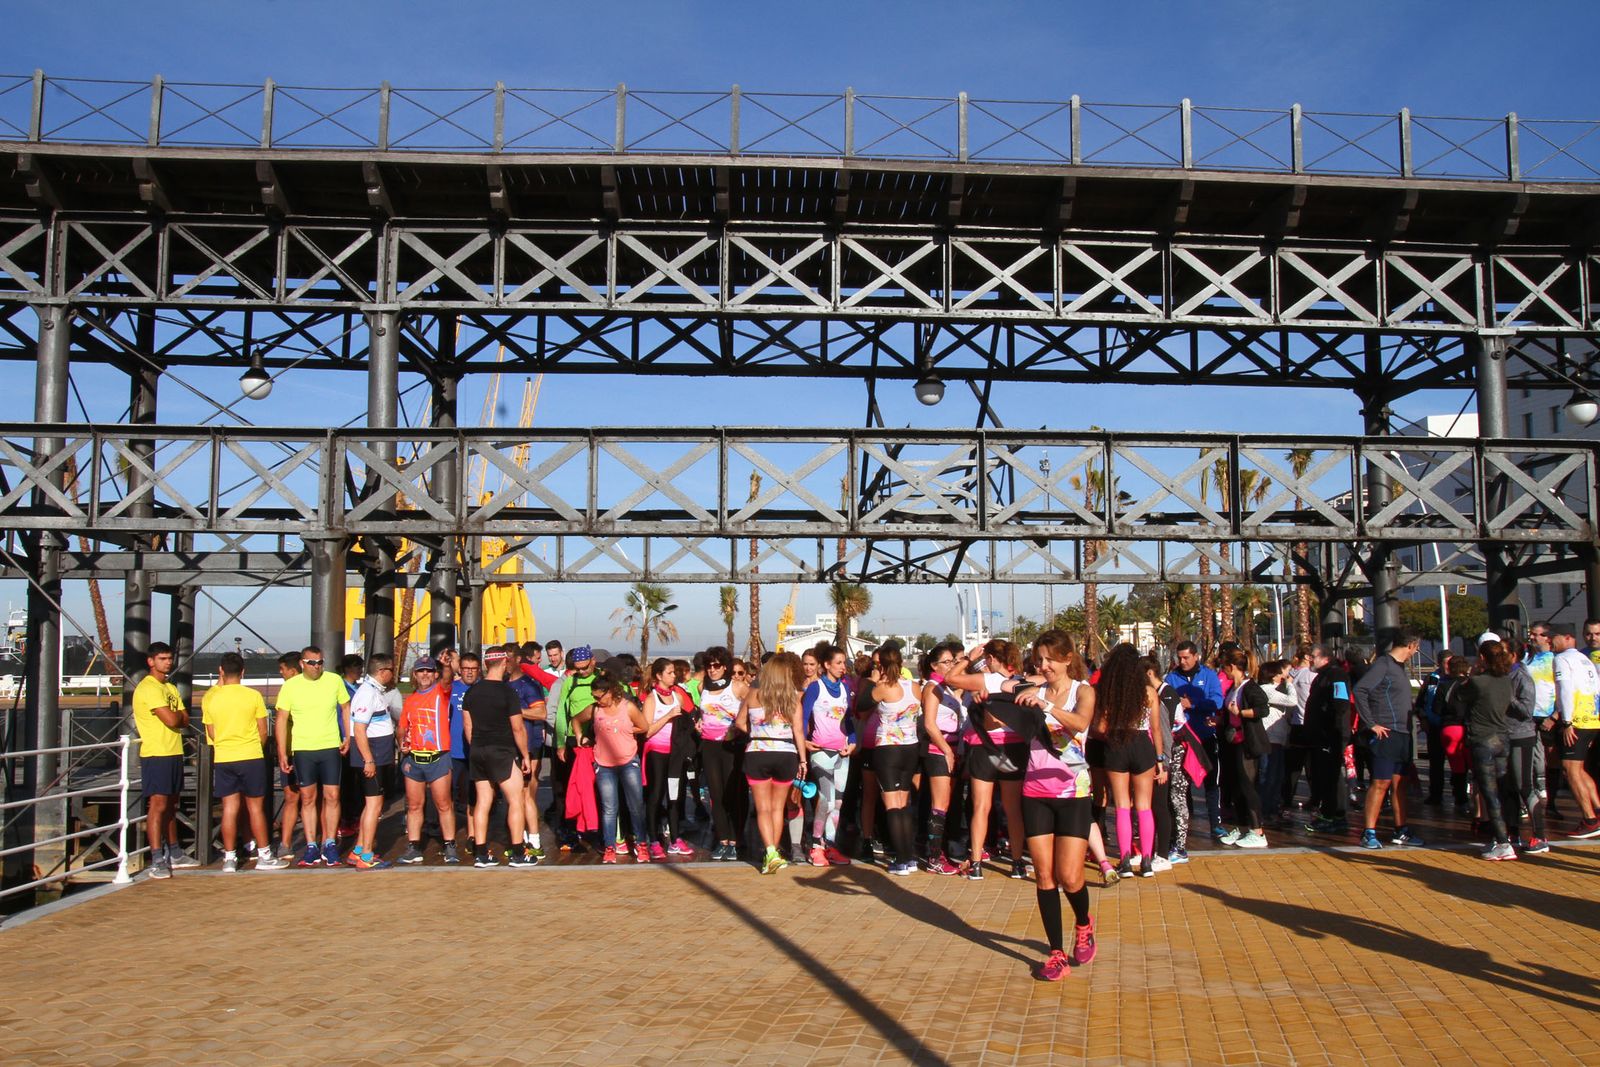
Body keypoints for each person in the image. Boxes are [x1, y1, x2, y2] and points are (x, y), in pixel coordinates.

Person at [993, 631, 1097, 981]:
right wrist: (999, 700)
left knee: (1070, 876)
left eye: (1050, 659)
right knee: (1044, 875)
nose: (1044, 665)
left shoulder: (1083, 691)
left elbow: (1081, 723)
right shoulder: (1032, 690)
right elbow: (1002, 700)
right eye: (1039, 659)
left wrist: (1047, 706)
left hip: (1073, 793)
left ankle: (1083, 924)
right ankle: (1056, 953)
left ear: (1068, 658)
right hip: (1035, 790)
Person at [944, 639, 1031, 881]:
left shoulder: (986, 680)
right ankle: (1016, 862)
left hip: (983, 747)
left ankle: (976, 864)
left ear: (991, 659)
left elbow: (950, 678)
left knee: (981, 807)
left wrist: (969, 658)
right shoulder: (1021, 682)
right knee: (1013, 809)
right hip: (1013, 747)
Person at [201, 652, 287, 872]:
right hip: (250, 755)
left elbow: (211, 731)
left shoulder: (211, 698)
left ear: (221, 671)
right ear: (243, 672)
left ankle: (229, 857)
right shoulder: (253, 696)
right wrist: (255, 746)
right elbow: (263, 731)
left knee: (229, 808)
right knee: (255, 808)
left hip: (224, 757)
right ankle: (264, 855)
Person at [275, 645, 352, 867]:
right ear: (302, 663)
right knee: (307, 797)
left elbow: (346, 707)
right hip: (303, 748)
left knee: (332, 796)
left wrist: (347, 736)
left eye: (320, 662)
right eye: (311, 663)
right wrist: (282, 752)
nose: (316, 667)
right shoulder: (291, 686)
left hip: (330, 746)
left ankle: (330, 843)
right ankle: (311, 846)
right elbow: (281, 719)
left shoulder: (334, 680)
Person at [463, 647, 539, 868]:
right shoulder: (507, 692)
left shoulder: (472, 692)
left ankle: (481, 853)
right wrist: (525, 755)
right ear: (504, 663)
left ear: (486, 665)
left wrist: (477, 746)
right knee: (516, 800)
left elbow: (468, 726)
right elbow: (518, 728)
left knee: (483, 801)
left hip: (478, 750)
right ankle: (518, 853)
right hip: (502, 751)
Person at [1095, 644, 1168, 868]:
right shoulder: (1148, 692)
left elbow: (1101, 727)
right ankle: (1146, 860)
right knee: (1144, 805)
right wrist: (1160, 760)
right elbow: (1156, 729)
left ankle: (1125, 860)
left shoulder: (1109, 692)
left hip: (1116, 743)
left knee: (1122, 805)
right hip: (1143, 744)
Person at [1448, 640, 1521, 860]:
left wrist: (1471, 675)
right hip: (1503, 737)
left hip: (1483, 738)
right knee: (1502, 788)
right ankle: (1507, 836)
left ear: (1481, 658)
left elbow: (1454, 697)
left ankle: (1502, 841)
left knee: (1490, 793)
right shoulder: (1506, 680)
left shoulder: (1478, 682)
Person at [1352, 628, 1424, 850]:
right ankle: (1369, 832)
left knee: (1400, 784)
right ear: (1410, 645)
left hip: (1403, 733)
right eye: (1416, 647)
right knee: (1380, 782)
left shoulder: (1399, 668)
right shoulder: (1383, 664)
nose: (1416, 652)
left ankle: (1401, 829)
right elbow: (1360, 690)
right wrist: (1371, 723)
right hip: (1386, 733)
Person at [736, 651, 808, 874]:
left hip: (758, 751)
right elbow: (798, 731)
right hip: (785, 753)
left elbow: (739, 723)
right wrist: (803, 760)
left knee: (763, 808)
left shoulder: (753, 694)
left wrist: (757, 733)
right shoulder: (792, 698)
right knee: (778, 808)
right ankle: (773, 853)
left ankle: (770, 852)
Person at [132, 642, 194, 878]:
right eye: (162, 659)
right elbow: (173, 719)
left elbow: (185, 718)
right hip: (157, 753)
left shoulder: (169, 687)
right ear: (151, 661)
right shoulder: (148, 688)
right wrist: (177, 716)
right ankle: (157, 857)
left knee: (171, 804)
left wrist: (177, 717)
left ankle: (175, 852)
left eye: (169, 658)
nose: (168, 662)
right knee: (158, 805)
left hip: (174, 751)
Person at [575, 675, 652, 863]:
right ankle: (610, 847)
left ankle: (641, 845)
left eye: (599, 696)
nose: (597, 700)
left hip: (628, 761)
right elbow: (576, 719)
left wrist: (627, 729)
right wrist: (579, 737)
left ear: (610, 692)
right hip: (604, 765)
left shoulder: (628, 707)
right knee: (609, 808)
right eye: (594, 696)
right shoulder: (595, 709)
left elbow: (643, 726)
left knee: (636, 806)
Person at [396, 656, 459, 865]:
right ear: (414, 674)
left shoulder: (441, 692)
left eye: (429, 671)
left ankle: (449, 845)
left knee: (443, 804)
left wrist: (446, 665)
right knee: (414, 805)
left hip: (438, 757)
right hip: (415, 758)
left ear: (435, 674)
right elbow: (402, 727)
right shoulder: (411, 700)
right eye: (421, 671)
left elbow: (448, 680)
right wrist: (402, 742)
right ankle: (414, 846)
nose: (425, 674)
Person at [869, 644, 924, 876]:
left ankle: (901, 860)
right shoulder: (914, 686)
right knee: (904, 803)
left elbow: (860, 704)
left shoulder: (882, 688)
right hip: (910, 747)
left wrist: (873, 680)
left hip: (888, 749)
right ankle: (909, 857)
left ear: (881, 665)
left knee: (892, 804)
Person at [346, 653, 401, 869]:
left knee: (372, 804)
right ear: (382, 671)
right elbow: (359, 729)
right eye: (391, 670)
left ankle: (359, 849)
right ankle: (367, 855)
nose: (393, 674)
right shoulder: (367, 693)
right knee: (374, 806)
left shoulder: (373, 691)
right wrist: (368, 760)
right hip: (373, 756)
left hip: (378, 755)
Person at [1166, 640, 1225, 839]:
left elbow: (1217, 701)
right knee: (1182, 784)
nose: (1182, 662)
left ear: (1196, 656)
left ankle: (1215, 823)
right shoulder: (1172, 678)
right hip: (1183, 739)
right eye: (1179, 658)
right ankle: (1185, 825)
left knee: (1211, 781)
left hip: (1205, 736)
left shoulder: (1209, 675)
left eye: (1186, 658)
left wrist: (1192, 704)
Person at [802, 644, 855, 866]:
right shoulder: (816, 688)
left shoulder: (845, 688)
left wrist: (853, 741)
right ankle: (816, 845)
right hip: (821, 752)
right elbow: (803, 717)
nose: (843, 667)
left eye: (844, 662)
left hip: (842, 753)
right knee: (826, 800)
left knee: (838, 803)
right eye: (839, 663)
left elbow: (849, 720)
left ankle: (831, 846)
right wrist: (804, 742)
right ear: (827, 665)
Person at [639, 658, 694, 858]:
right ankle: (654, 840)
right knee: (656, 795)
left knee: (674, 796)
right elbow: (646, 731)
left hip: (675, 753)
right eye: (669, 673)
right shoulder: (651, 698)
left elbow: (686, 722)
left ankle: (675, 839)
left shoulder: (678, 696)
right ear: (659, 675)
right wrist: (668, 716)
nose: (673, 676)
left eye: (674, 672)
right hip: (656, 751)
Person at [697, 647, 748, 861]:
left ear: (725, 667)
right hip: (709, 746)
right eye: (709, 666)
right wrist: (699, 723)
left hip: (731, 747)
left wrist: (738, 729)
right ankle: (723, 839)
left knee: (732, 794)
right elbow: (703, 713)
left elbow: (753, 709)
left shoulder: (738, 687)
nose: (712, 670)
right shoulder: (702, 687)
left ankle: (735, 840)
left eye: (716, 665)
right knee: (715, 795)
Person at [1216, 650, 1270, 848]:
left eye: (1224, 668)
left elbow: (1263, 709)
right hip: (1233, 742)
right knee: (1236, 786)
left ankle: (1257, 830)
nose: (1223, 672)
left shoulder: (1250, 687)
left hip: (1247, 743)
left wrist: (1241, 712)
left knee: (1248, 786)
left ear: (1232, 667)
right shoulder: (1234, 688)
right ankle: (1242, 827)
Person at [919, 642, 965, 874]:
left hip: (953, 749)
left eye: (952, 661)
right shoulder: (932, 687)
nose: (950, 665)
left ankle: (941, 852)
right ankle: (934, 858)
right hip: (938, 751)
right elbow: (930, 724)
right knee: (939, 805)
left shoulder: (946, 688)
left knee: (946, 804)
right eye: (946, 662)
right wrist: (946, 749)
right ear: (934, 665)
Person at [1552, 625, 1600, 838]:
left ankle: (1590, 820)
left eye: (1553, 638)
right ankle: (1597, 811)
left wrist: (1567, 722)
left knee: (1570, 769)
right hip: (1591, 719)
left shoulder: (1562, 659)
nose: (1550, 642)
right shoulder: (1584, 659)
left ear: (1567, 638)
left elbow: (1565, 689)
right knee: (1578, 769)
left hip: (1577, 720)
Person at [1302, 644, 1353, 833]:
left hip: (1331, 734)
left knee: (1331, 775)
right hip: (1320, 734)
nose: (1310, 659)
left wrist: (1329, 722)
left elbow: (1341, 702)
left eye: (1313, 656)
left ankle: (1335, 815)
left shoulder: (1336, 675)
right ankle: (1329, 812)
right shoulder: (1321, 676)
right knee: (1323, 774)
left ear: (1325, 658)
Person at [505, 644, 550, 859]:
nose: (505, 662)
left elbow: (541, 713)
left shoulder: (528, 685)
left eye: (509, 658)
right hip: (507, 746)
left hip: (527, 745)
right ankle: (519, 839)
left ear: (518, 660)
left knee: (525, 794)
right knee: (514, 797)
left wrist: (516, 711)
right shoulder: (503, 683)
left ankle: (534, 841)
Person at [271, 651, 302, 858]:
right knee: (292, 796)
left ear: (292, 670)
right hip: (290, 752)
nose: (281, 673)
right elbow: (280, 721)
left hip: (305, 749)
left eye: (282, 669)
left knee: (310, 797)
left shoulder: (307, 688)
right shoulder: (287, 690)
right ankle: (286, 843)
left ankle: (318, 842)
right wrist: (282, 751)